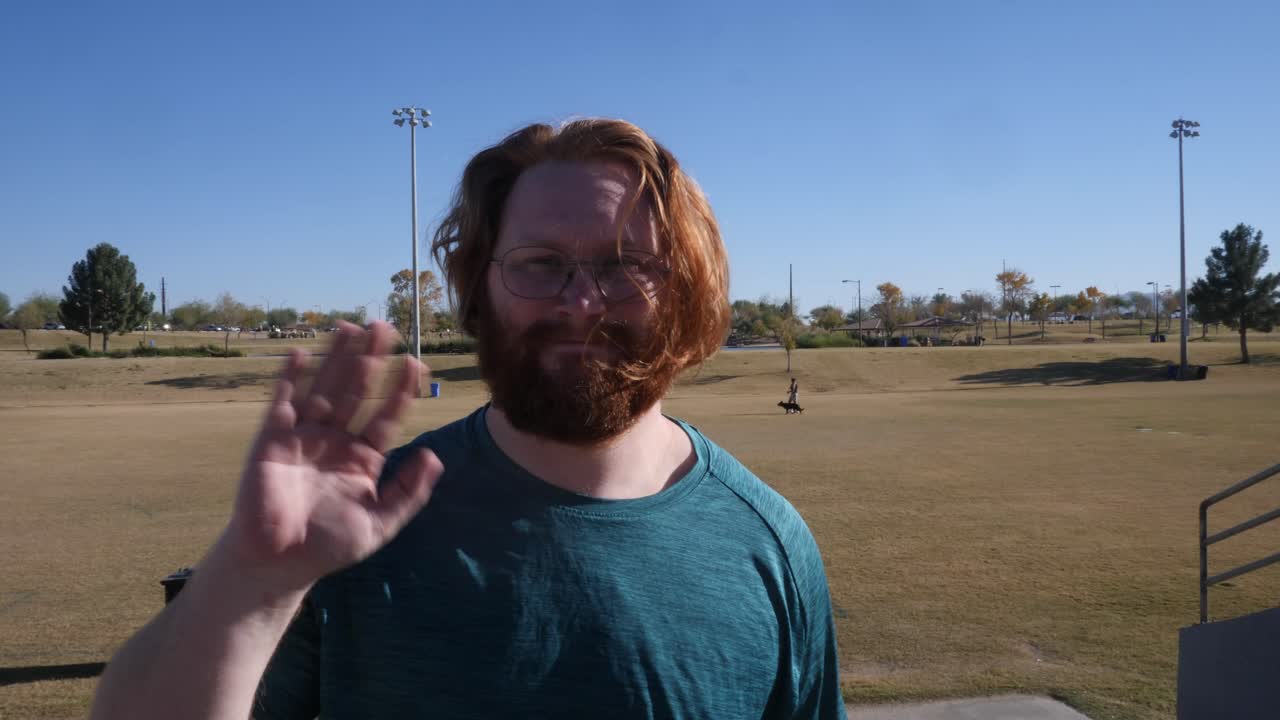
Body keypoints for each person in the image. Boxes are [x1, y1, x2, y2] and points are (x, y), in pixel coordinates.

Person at [89, 118, 845, 720]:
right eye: (540, 262)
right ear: (478, 289)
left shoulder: (769, 544)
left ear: (684, 291)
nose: (581, 302)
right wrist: (246, 581)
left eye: (624, 264)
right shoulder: (355, 525)